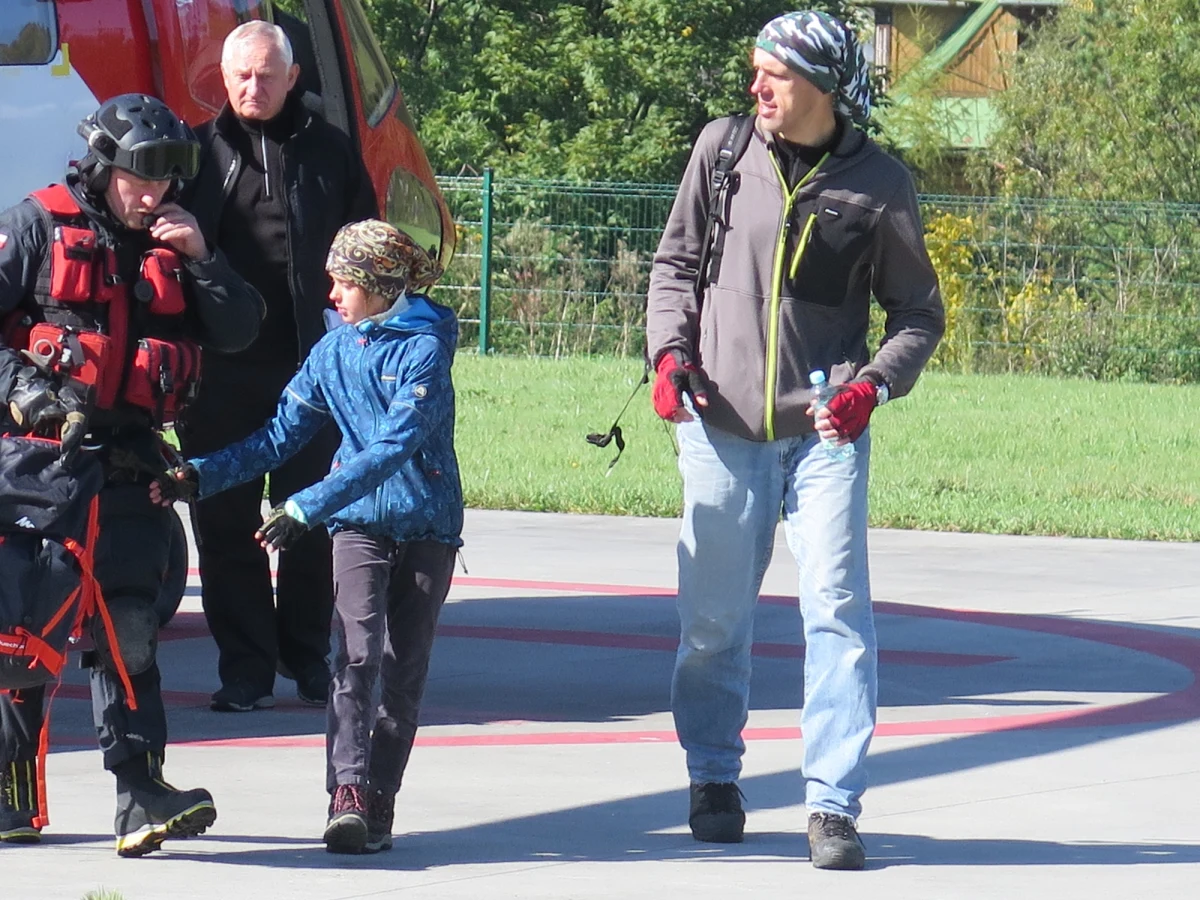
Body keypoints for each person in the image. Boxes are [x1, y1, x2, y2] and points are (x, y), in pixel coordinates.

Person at [645, 11, 945, 870]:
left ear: (817, 84)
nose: (756, 88)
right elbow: (673, 266)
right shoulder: (722, 151)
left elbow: (918, 312)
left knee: (839, 613)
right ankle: (712, 776)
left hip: (824, 438)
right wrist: (669, 356)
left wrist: (872, 386)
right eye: (754, 72)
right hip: (720, 423)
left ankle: (832, 806)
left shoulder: (879, 183)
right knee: (712, 623)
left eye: (771, 75)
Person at [0, 93, 262, 855]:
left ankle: (141, 793)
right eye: (141, 177)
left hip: (131, 468)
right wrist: (28, 392)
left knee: (132, 630)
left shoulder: (180, 244)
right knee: (25, 641)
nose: (153, 194)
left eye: (167, 179)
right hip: (40, 465)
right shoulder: (35, 227)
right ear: (106, 164)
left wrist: (206, 259)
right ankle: (12, 795)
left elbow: (242, 328)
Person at [152, 219, 462, 854]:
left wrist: (306, 504)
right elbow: (279, 435)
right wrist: (200, 475)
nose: (332, 294)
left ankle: (380, 800)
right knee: (355, 652)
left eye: (343, 281)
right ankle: (345, 794)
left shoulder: (426, 346)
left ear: (378, 284)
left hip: (427, 524)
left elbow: (395, 445)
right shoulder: (333, 350)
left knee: (404, 672)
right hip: (358, 527)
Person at [179, 20, 378, 713]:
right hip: (221, 373)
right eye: (239, 76)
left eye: (265, 75)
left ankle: (308, 659)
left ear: (293, 77)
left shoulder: (332, 153)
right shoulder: (196, 155)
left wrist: (364, 352)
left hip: (312, 373)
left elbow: (366, 254)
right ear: (223, 80)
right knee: (225, 521)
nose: (251, 87)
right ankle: (245, 669)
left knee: (311, 519)